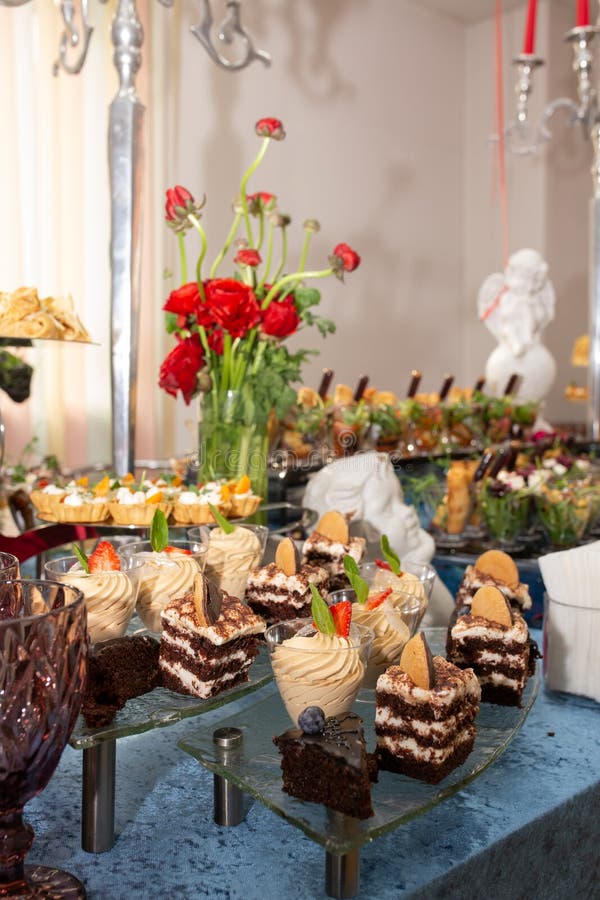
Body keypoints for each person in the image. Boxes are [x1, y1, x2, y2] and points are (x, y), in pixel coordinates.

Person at [303, 451, 454, 625]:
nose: (408, 511)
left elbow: (446, 616)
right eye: (388, 508)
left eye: (401, 500)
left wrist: (418, 558)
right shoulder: (354, 598)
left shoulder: (409, 576)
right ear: (354, 534)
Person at [477, 248, 556, 401]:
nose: (523, 283)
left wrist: (530, 305)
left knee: (528, 323)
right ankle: (515, 343)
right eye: (521, 276)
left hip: (534, 348)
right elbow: (505, 313)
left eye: (529, 279)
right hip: (508, 334)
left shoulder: (533, 299)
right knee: (509, 329)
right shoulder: (506, 296)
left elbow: (542, 316)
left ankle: (525, 339)